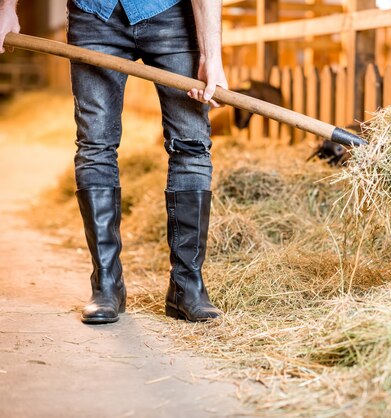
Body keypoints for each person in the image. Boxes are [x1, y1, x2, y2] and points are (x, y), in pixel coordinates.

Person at [0, 0, 228, 324]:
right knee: (95, 145)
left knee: (191, 145)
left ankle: (187, 288)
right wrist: (6, 8)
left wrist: (211, 55)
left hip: (173, 14)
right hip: (94, 13)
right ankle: (107, 284)